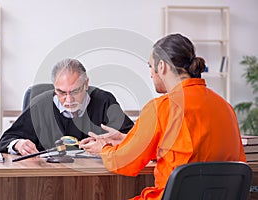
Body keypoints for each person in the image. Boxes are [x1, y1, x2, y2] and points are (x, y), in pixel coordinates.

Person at [80, 34, 246, 200]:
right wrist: (128, 140)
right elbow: (191, 153)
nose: (151, 74)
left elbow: (123, 163)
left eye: (150, 66)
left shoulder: (162, 108)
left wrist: (103, 149)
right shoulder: (225, 107)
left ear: (162, 66)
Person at [0, 58, 134, 156]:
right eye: (61, 92)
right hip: (47, 181)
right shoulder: (40, 104)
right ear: (54, 87)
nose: (68, 100)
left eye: (75, 91)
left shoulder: (104, 102)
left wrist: (107, 143)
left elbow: (134, 139)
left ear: (86, 84)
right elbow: (6, 141)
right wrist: (18, 144)